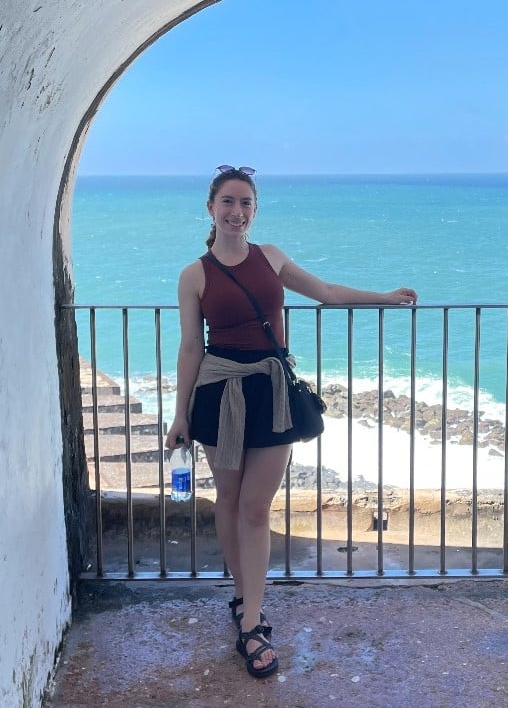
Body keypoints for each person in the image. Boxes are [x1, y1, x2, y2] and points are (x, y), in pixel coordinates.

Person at [165, 165, 417, 679]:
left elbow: (325, 291)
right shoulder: (194, 274)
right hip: (219, 393)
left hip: (272, 392)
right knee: (230, 501)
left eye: (247, 203)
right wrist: (180, 414)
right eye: (228, 202)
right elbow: (192, 346)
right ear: (211, 208)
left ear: (255, 209)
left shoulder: (271, 257)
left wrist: (385, 297)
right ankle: (242, 596)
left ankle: (251, 623)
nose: (237, 212)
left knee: (256, 509)